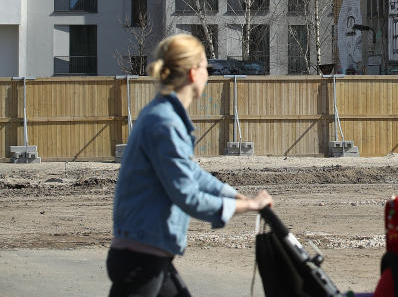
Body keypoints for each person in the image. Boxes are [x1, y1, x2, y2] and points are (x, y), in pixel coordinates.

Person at [107, 34, 273, 296]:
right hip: (141, 261)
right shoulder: (165, 122)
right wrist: (247, 205)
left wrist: (230, 193)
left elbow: (190, 172)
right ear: (194, 73)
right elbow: (186, 195)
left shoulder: (163, 114)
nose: (208, 73)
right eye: (206, 66)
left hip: (146, 254)